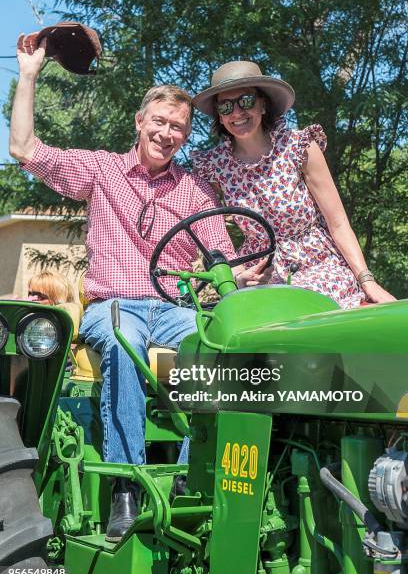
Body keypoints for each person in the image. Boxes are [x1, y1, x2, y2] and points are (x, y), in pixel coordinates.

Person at [9, 35, 236, 541]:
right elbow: (24, 149)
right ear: (140, 122)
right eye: (159, 122)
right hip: (115, 305)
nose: (167, 133)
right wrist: (28, 76)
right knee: (125, 344)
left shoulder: (195, 191)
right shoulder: (103, 171)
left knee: (223, 350)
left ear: (185, 136)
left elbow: (224, 261)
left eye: (178, 127)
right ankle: (127, 487)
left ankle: (185, 480)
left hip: (175, 309)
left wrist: (244, 277)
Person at [192, 61, 395, 309]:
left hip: (318, 265)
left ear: (263, 104)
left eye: (245, 101)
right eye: (225, 106)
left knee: (323, 319)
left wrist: (368, 281)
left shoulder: (298, 147)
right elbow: (214, 235)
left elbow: (338, 223)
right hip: (259, 276)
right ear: (219, 116)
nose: (236, 112)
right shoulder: (213, 166)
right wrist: (236, 275)